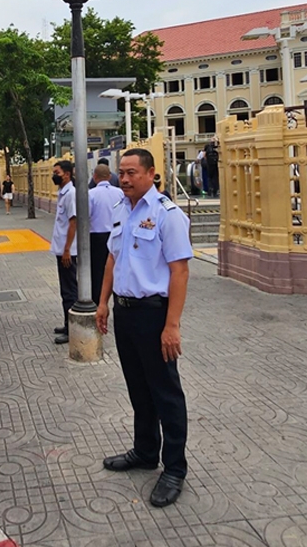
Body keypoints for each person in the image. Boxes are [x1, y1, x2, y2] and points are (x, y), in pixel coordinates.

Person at [96, 147, 193, 508]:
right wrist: (103, 302)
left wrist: (172, 326)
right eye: (121, 172)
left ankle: (174, 468)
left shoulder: (168, 215)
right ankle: (145, 450)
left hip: (155, 315)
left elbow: (180, 271)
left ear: (151, 174)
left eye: (132, 172)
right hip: (124, 312)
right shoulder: (121, 208)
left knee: (166, 393)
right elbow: (112, 258)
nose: (124, 179)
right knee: (138, 388)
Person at [88, 163, 124, 310]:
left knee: (97, 271)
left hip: (97, 236)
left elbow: (86, 216)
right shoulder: (120, 193)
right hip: (117, 234)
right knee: (116, 268)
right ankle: (117, 299)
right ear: (109, 177)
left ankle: (98, 302)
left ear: (94, 177)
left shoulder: (91, 194)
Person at [49, 159, 77, 345]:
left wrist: (67, 249)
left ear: (67, 174)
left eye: (57, 172)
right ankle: (67, 324)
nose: (54, 175)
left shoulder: (71, 194)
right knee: (65, 290)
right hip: (62, 249)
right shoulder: (62, 191)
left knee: (69, 291)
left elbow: (73, 222)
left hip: (68, 251)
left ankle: (71, 329)